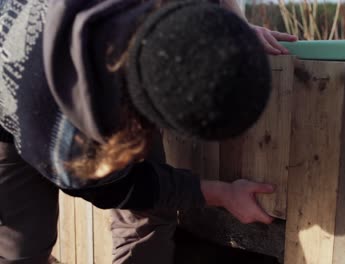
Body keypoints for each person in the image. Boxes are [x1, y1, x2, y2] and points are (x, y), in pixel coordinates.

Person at [0, 0, 297, 263]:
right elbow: (132, 188)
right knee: (21, 250)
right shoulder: (74, 156)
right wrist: (224, 194)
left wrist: (234, 29)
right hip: (10, 113)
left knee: (146, 220)